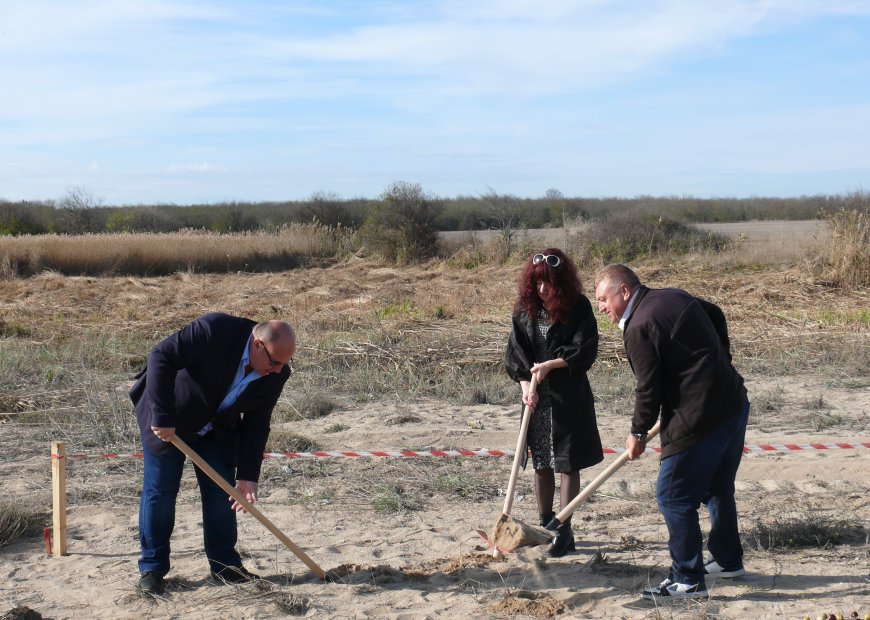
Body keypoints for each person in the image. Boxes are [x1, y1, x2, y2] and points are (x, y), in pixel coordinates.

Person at [593, 264, 749, 600]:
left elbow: (648, 390)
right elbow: (715, 313)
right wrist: (721, 356)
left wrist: (636, 433)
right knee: (717, 486)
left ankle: (687, 580)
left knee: (673, 496)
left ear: (624, 291)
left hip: (700, 414)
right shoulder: (671, 296)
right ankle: (727, 560)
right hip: (733, 400)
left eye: (604, 299)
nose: (601, 307)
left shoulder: (639, 325)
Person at [129, 312, 295, 595]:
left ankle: (225, 567)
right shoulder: (214, 330)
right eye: (274, 362)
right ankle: (152, 568)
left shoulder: (276, 374)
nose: (279, 370)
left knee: (223, 494)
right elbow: (161, 356)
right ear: (257, 344)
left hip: (216, 430)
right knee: (161, 493)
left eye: (285, 364)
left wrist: (248, 475)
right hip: (170, 419)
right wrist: (163, 415)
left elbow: (257, 423)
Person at [504, 248, 604, 557]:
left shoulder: (579, 308)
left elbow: (585, 349)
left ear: (561, 282)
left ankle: (564, 528)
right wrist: (525, 387)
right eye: (537, 284)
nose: (543, 290)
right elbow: (516, 355)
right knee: (542, 461)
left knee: (568, 463)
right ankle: (544, 523)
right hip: (537, 400)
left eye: (549, 283)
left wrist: (551, 365)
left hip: (568, 398)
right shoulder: (524, 311)